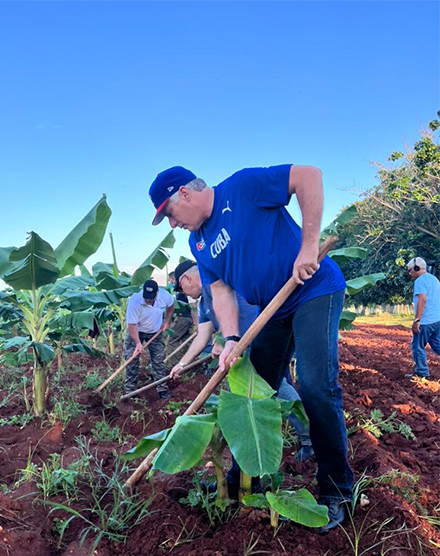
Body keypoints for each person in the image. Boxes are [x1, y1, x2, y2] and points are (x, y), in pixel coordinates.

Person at [148, 164, 353, 531]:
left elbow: (309, 175)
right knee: (252, 392)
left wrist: (308, 246)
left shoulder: (241, 188)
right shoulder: (197, 243)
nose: (172, 224)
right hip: (270, 309)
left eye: (170, 214)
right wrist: (230, 339)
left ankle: (336, 490)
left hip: (312, 289)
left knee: (315, 385)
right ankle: (243, 478)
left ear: (185, 193)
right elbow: (222, 291)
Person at [170, 259, 314, 463]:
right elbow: (202, 338)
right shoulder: (203, 303)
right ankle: (249, 446)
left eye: (181, 287)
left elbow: (240, 312)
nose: (183, 293)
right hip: (240, 352)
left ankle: (310, 442)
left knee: (278, 388)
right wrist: (182, 364)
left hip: (264, 338)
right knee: (257, 392)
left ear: (187, 278)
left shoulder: (221, 281)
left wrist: (225, 339)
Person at [124, 279, 174, 399]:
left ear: (157, 293)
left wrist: (167, 322)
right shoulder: (135, 301)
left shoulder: (165, 296)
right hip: (137, 331)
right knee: (132, 360)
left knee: (158, 361)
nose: (148, 300)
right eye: (146, 297)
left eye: (151, 297)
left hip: (155, 332)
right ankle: (130, 392)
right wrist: (137, 343)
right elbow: (132, 325)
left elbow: (171, 307)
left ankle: (162, 389)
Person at [406, 257, 440, 379]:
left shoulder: (420, 281)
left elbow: (422, 299)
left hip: (426, 321)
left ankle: (422, 373)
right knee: (436, 344)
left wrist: (417, 320)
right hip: (437, 320)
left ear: (416, 269)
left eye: (410, 270)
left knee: (418, 346)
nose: (409, 273)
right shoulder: (434, 279)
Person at [165, 271, 195, 366]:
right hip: (189, 318)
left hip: (184, 318)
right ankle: (189, 364)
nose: (171, 283)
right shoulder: (182, 288)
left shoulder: (184, 288)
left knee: (172, 340)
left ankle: (175, 364)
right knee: (187, 341)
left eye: (171, 280)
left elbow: (192, 304)